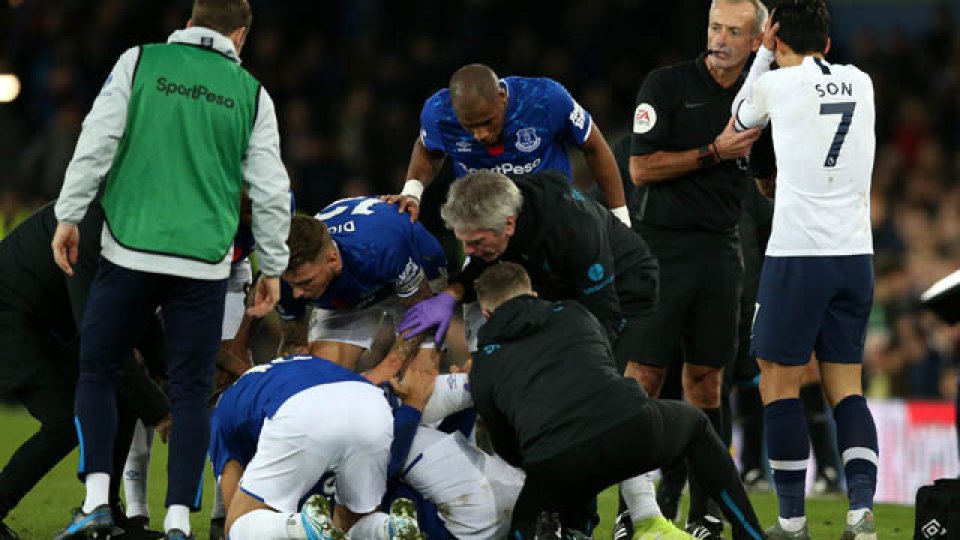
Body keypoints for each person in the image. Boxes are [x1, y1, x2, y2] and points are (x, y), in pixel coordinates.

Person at [50, 0, 292, 537]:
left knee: (99, 371)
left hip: (129, 250)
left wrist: (69, 215)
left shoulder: (139, 62)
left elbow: (97, 140)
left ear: (187, 24)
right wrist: (272, 263)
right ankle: (179, 522)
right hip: (204, 266)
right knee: (188, 393)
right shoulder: (253, 94)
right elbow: (273, 187)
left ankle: (95, 503)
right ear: (240, 34)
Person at [400, 169, 690, 538]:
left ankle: (593, 524)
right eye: (464, 243)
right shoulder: (500, 221)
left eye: (475, 242)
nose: (469, 252)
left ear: (508, 225)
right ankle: (568, 518)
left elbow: (604, 314)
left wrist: (564, 368)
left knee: (584, 409)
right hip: (559, 294)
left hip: (622, 294)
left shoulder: (570, 228)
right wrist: (452, 294)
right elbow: (482, 266)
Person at [469, 262, 765, 540]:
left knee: (528, 516)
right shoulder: (574, 313)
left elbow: (505, 445)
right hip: (630, 431)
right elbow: (601, 375)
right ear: (533, 294)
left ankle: (576, 529)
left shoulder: (482, 364)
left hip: (555, 464)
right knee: (697, 426)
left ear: (487, 315)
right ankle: (750, 534)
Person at [732, 2, 880, 538]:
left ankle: (792, 521)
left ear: (776, 38)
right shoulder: (860, 82)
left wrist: (762, 58)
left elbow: (740, 117)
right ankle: (861, 513)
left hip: (798, 254)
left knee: (779, 383)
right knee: (847, 387)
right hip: (855, 255)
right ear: (828, 43)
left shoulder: (778, 84)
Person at [626, 0, 767, 535]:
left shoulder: (761, 96)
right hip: (661, 249)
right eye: (714, 27)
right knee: (644, 379)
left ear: (756, 41)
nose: (721, 38)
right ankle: (633, 513)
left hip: (720, 253)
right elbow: (640, 167)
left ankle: (706, 511)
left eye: (734, 31)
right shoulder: (666, 86)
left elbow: (767, 172)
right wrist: (714, 150)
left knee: (708, 384)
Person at [0, 200, 169, 540]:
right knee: (64, 420)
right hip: (10, 318)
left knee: (121, 398)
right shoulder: (93, 227)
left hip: (40, 321)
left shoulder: (121, 219)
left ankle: (107, 518)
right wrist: (161, 410)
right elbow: (99, 334)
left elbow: (138, 307)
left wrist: (166, 373)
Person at [386, 63, 631, 227]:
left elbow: (594, 147)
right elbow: (427, 148)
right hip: (485, 226)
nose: (480, 134)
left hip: (552, 217)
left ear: (502, 98)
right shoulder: (438, 115)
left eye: (487, 122)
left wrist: (620, 217)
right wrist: (412, 192)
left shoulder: (545, 100)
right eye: (469, 126)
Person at [210, 354, 425, 539]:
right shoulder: (274, 370)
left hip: (301, 409)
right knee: (354, 520)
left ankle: (302, 526)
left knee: (237, 526)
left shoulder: (221, 412)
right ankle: (391, 528)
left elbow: (233, 507)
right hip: (370, 402)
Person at [277, 196, 448, 378]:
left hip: (418, 278)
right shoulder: (285, 276)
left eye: (306, 282)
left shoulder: (380, 248)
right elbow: (294, 348)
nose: (297, 294)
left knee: (412, 383)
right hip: (349, 289)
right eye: (292, 284)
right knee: (320, 379)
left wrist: (388, 367)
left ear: (333, 260)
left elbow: (422, 308)